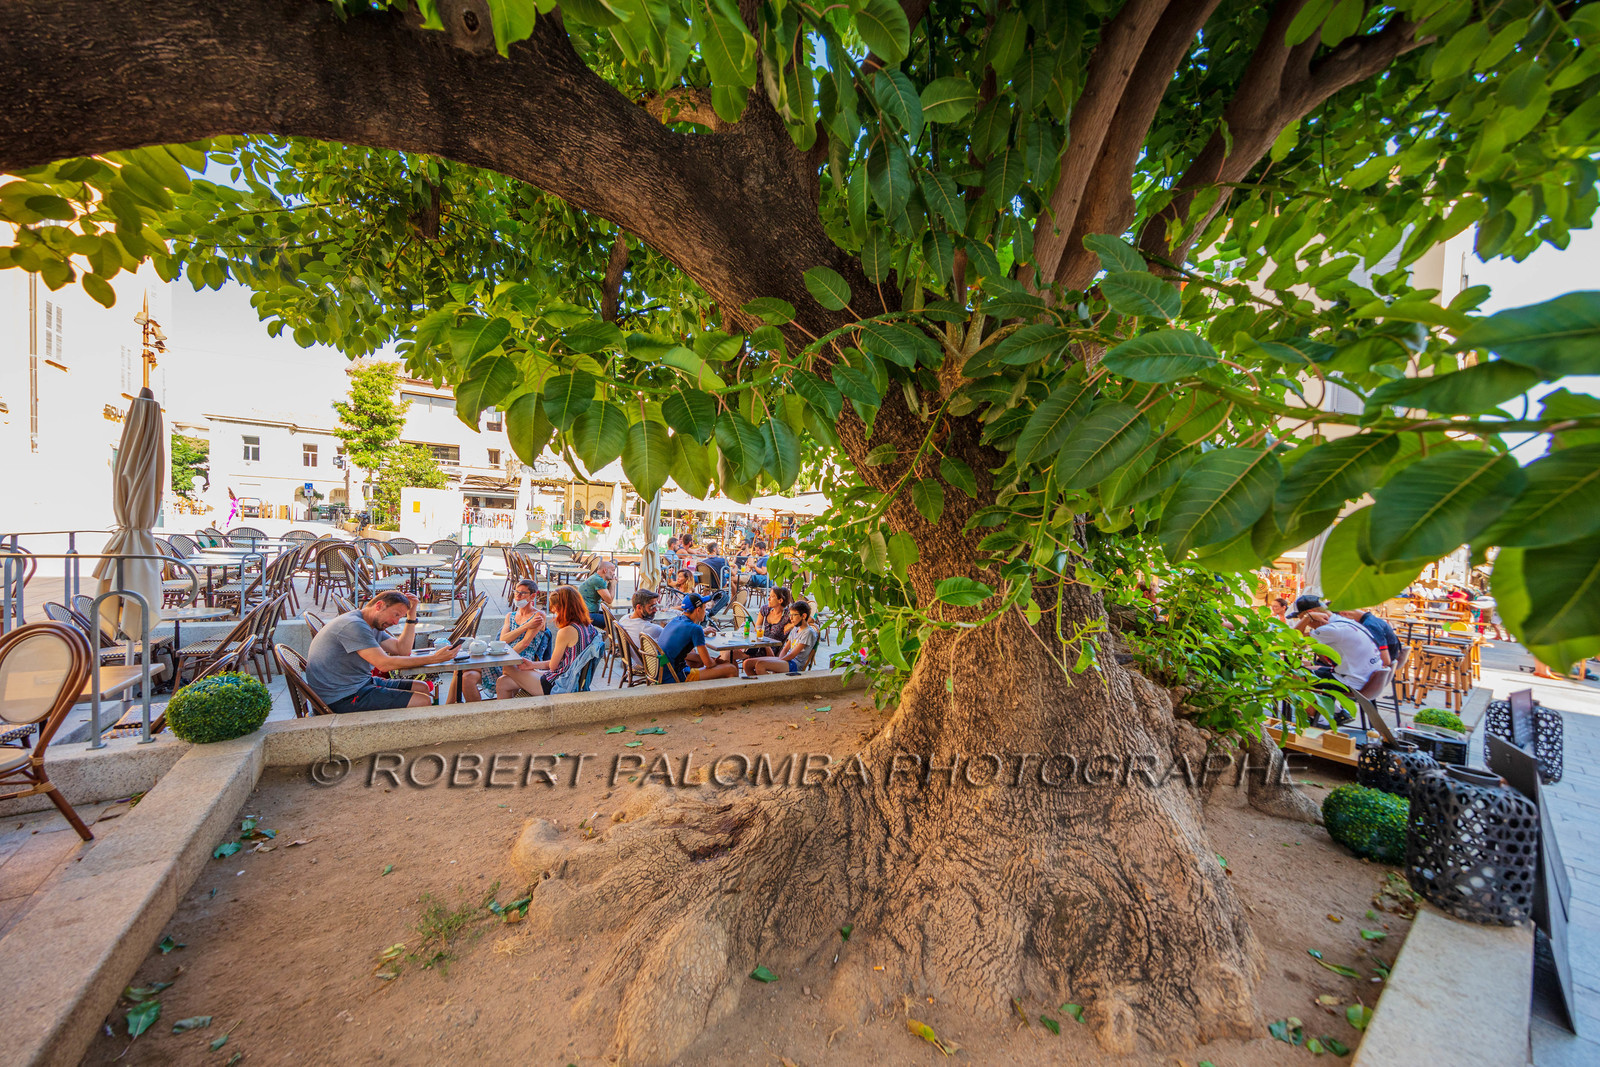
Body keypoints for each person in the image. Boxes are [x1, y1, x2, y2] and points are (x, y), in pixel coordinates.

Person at [304, 591, 460, 712]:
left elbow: (402, 650)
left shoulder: (370, 623)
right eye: (396, 614)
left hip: (359, 684)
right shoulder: (354, 625)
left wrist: (411, 615)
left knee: (423, 687)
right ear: (378, 606)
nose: (395, 622)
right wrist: (434, 659)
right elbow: (384, 664)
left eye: (400, 617)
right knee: (422, 701)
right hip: (341, 698)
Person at [496, 585, 602, 697]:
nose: (555, 613)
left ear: (562, 608)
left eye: (555, 610)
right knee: (503, 682)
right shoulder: (588, 627)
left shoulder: (566, 631)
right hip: (570, 679)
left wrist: (534, 668)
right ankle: (510, 713)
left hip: (558, 685)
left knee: (508, 667)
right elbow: (561, 662)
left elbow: (553, 666)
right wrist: (532, 665)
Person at [455, 578, 549, 701]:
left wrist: (502, 659)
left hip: (519, 660)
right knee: (466, 676)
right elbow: (503, 639)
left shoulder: (538, 615)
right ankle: (477, 715)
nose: (518, 596)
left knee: (462, 669)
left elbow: (525, 644)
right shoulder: (510, 616)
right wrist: (526, 626)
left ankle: (449, 704)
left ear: (532, 596)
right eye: (516, 592)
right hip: (502, 656)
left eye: (522, 593)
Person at [1291, 603, 1384, 725]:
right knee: (1307, 667)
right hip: (1367, 678)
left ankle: (1320, 720)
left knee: (1293, 675)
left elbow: (1293, 641)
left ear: (1313, 613)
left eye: (1302, 618)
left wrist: (1307, 617)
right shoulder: (1344, 622)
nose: (1307, 625)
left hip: (1353, 682)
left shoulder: (1331, 629)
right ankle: (1337, 712)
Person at [655, 593, 739, 682]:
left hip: (661, 673)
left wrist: (703, 632)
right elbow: (709, 664)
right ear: (698, 610)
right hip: (674, 676)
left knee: (698, 659)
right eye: (705, 608)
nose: (706, 611)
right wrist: (717, 662)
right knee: (731, 668)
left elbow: (685, 634)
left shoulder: (676, 620)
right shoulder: (696, 629)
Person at [743, 600, 821, 676]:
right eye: (790, 615)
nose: (791, 618)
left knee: (760, 665)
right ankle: (760, 685)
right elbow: (785, 649)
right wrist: (779, 660)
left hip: (795, 665)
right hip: (785, 660)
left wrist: (779, 661)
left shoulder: (808, 632)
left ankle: (772, 686)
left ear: (803, 616)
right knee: (747, 663)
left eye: (794, 615)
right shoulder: (796, 628)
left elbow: (793, 655)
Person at [698, 543, 732, 618]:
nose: (719, 550)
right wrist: (735, 567)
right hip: (719, 584)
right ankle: (733, 602)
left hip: (707, 584)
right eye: (718, 548)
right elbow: (732, 573)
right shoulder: (722, 560)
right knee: (732, 580)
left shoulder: (703, 562)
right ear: (714, 549)